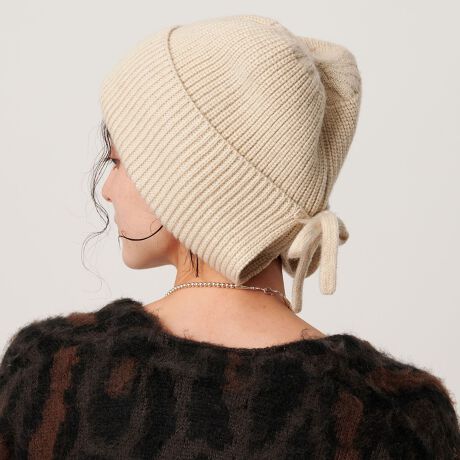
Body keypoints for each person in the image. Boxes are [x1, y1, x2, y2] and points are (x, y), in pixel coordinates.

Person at [1, 14, 459, 459]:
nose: (108, 189)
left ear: (182, 177)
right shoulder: (399, 416)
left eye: (119, 162)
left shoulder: (50, 373)